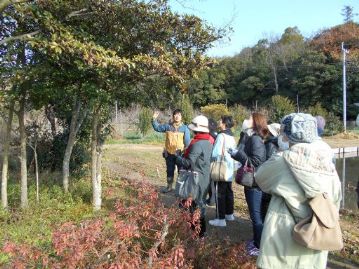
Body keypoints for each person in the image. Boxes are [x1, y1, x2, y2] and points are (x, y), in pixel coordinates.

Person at [255, 113, 342, 269]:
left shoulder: (283, 160)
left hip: (282, 238)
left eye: (282, 132)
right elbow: (336, 196)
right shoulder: (327, 162)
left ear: (289, 135)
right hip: (315, 236)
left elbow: (260, 178)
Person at [229, 112, 268, 256]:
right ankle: (257, 241)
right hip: (251, 183)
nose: (245, 120)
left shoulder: (256, 140)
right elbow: (243, 152)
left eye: (249, 118)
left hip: (255, 183)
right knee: (255, 215)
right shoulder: (249, 137)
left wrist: (238, 155)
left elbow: (257, 162)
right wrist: (242, 139)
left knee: (256, 216)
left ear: (255, 122)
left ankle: (259, 246)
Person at [176, 115, 214, 237]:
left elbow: (188, 163)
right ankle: (201, 233)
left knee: (193, 205)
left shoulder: (197, 144)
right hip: (204, 177)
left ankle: (197, 233)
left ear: (196, 130)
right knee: (199, 204)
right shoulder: (208, 141)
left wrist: (177, 157)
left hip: (196, 178)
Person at [152, 109, 190, 193]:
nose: (177, 116)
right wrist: (154, 119)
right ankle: (169, 186)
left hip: (180, 154)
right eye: (175, 115)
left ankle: (180, 189)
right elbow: (157, 127)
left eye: (179, 115)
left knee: (181, 171)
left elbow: (187, 142)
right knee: (169, 170)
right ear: (173, 116)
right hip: (169, 153)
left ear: (181, 117)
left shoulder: (185, 128)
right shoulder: (168, 126)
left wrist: (185, 152)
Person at [208, 116, 237, 227]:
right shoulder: (232, 136)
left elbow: (215, 153)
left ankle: (220, 218)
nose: (218, 122)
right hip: (229, 168)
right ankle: (229, 214)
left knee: (219, 192)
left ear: (224, 123)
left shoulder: (221, 135)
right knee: (229, 191)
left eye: (220, 120)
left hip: (221, 168)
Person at [261, 123, 280, 220]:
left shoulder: (270, 145)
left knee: (264, 204)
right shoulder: (278, 144)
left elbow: (266, 163)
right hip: (275, 179)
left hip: (268, 179)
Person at [206, 118, 218, 206]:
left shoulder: (210, 136)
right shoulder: (217, 134)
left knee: (211, 182)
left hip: (210, 160)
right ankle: (213, 199)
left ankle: (212, 200)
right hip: (217, 161)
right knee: (214, 181)